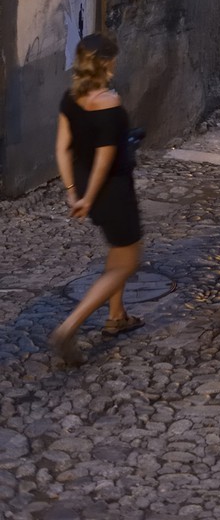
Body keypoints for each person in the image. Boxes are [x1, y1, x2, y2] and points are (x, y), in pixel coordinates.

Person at [50, 33, 143, 365]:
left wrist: (73, 192)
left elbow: (62, 148)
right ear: (105, 63)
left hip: (86, 185)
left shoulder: (70, 98)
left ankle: (116, 316)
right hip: (112, 191)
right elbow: (106, 160)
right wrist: (89, 198)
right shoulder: (108, 103)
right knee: (128, 262)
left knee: (117, 252)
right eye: (113, 58)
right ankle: (69, 327)